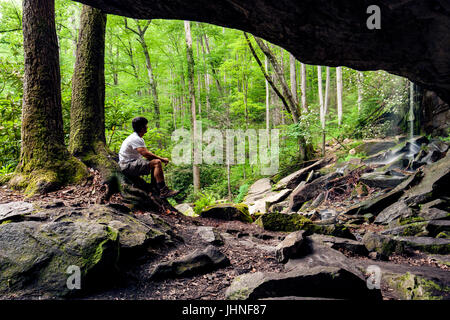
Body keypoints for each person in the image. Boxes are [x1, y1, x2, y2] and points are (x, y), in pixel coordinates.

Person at [118, 116, 179, 199]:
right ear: (141, 127)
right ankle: (163, 191)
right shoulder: (135, 138)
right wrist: (162, 159)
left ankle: (156, 188)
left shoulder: (138, 138)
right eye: (146, 125)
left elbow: (148, 155)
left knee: (154, 161)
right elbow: (146, 154)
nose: (147, 127)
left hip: (130, 163)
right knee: (156, 162)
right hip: (126, 166)